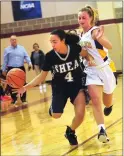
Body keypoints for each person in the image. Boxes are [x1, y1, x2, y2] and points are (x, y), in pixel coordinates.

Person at [13, 29, 100, 146]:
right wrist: (25, 87)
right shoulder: (49, 56)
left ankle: (70, 132)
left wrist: (90, 60)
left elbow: (85, 54)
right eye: (51, 42)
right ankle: (53, 108)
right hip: (60, 88)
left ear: (63, 40)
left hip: (76, 86)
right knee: (56, 115)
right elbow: (42, 76)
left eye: (55, 41)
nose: (52, 44)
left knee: (80, 114)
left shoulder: (74, 49)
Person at [78, 6, 116, 142]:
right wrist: (86, 57)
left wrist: (100, 39)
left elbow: (109, 45)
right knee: (95, 100)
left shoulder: (95, 31)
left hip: (105, 68)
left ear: (91, 18)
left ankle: (110, 105)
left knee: (106, 102)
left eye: (84, 17)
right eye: (79, 17)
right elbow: (83, 52)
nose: (81, 20)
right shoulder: (80, 35)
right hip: (91, 71)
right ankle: (102, 130)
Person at [2, 35, 32, 106]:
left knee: (23, 84)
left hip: (20, 68)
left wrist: (29, 63)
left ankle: (23, 99)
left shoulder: (22, 48)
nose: (14, 41)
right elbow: (5, 61)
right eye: (12, 40)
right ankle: (14, 99)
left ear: (17, 40)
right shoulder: (7, 50)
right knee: (11, 85)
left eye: (15, 39)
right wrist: (3, 70)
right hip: (11, 69)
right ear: (10, 41)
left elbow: (26, 56)